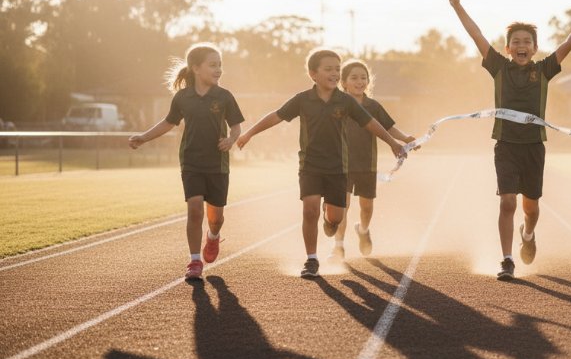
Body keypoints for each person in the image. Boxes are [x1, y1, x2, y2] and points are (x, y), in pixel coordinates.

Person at [447, 0, 571, 281]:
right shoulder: (498, 68)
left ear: (534, 48)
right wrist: (457, 6)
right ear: (508, 49)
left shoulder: (544, 70)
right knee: (508, 202)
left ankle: (528, 234)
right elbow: (476, 35)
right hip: (506, 145)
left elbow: (570, 42)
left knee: (531, 208)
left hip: (534, 147)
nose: (521, 45)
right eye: (515, 42)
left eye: (527, 42)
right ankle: (507, 260)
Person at [236, 49, 407, 278]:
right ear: (313, 74)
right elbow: (276, 116)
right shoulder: (303, 99)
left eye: (337, 69)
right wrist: (249, 133)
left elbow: (370, 123)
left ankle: (330, 217)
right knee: (309, 210)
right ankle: (311, 260)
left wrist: (393, 142)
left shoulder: (345, 101)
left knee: (335, 219)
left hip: (338, 168)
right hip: (310, 166)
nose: (335, 73)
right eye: (329, 69)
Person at [129, 44, 244, 280]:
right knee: (194, 210)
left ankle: (212, 238)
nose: (218, 69)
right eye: (213, 65)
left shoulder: (224, 96)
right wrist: (143, 137)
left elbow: (236, 126)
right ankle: (194, 261)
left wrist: (231, 139)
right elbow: (168, 123)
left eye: (220, 64)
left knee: (216, 218)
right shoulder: (183, 97)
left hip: (217, 164)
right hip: (191, 161)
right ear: (196, 68)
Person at [333, 59, 417, 258]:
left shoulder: (373, 106)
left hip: (366, 164)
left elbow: (388, 126)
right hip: (341, 165)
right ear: (343, 82)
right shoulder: (336, 105)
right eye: (354, 78)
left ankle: (362, 230)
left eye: (363, 77)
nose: (359, 81)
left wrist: (405, 138)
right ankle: (338, 246)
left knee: (367, 206)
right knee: (342, 207)